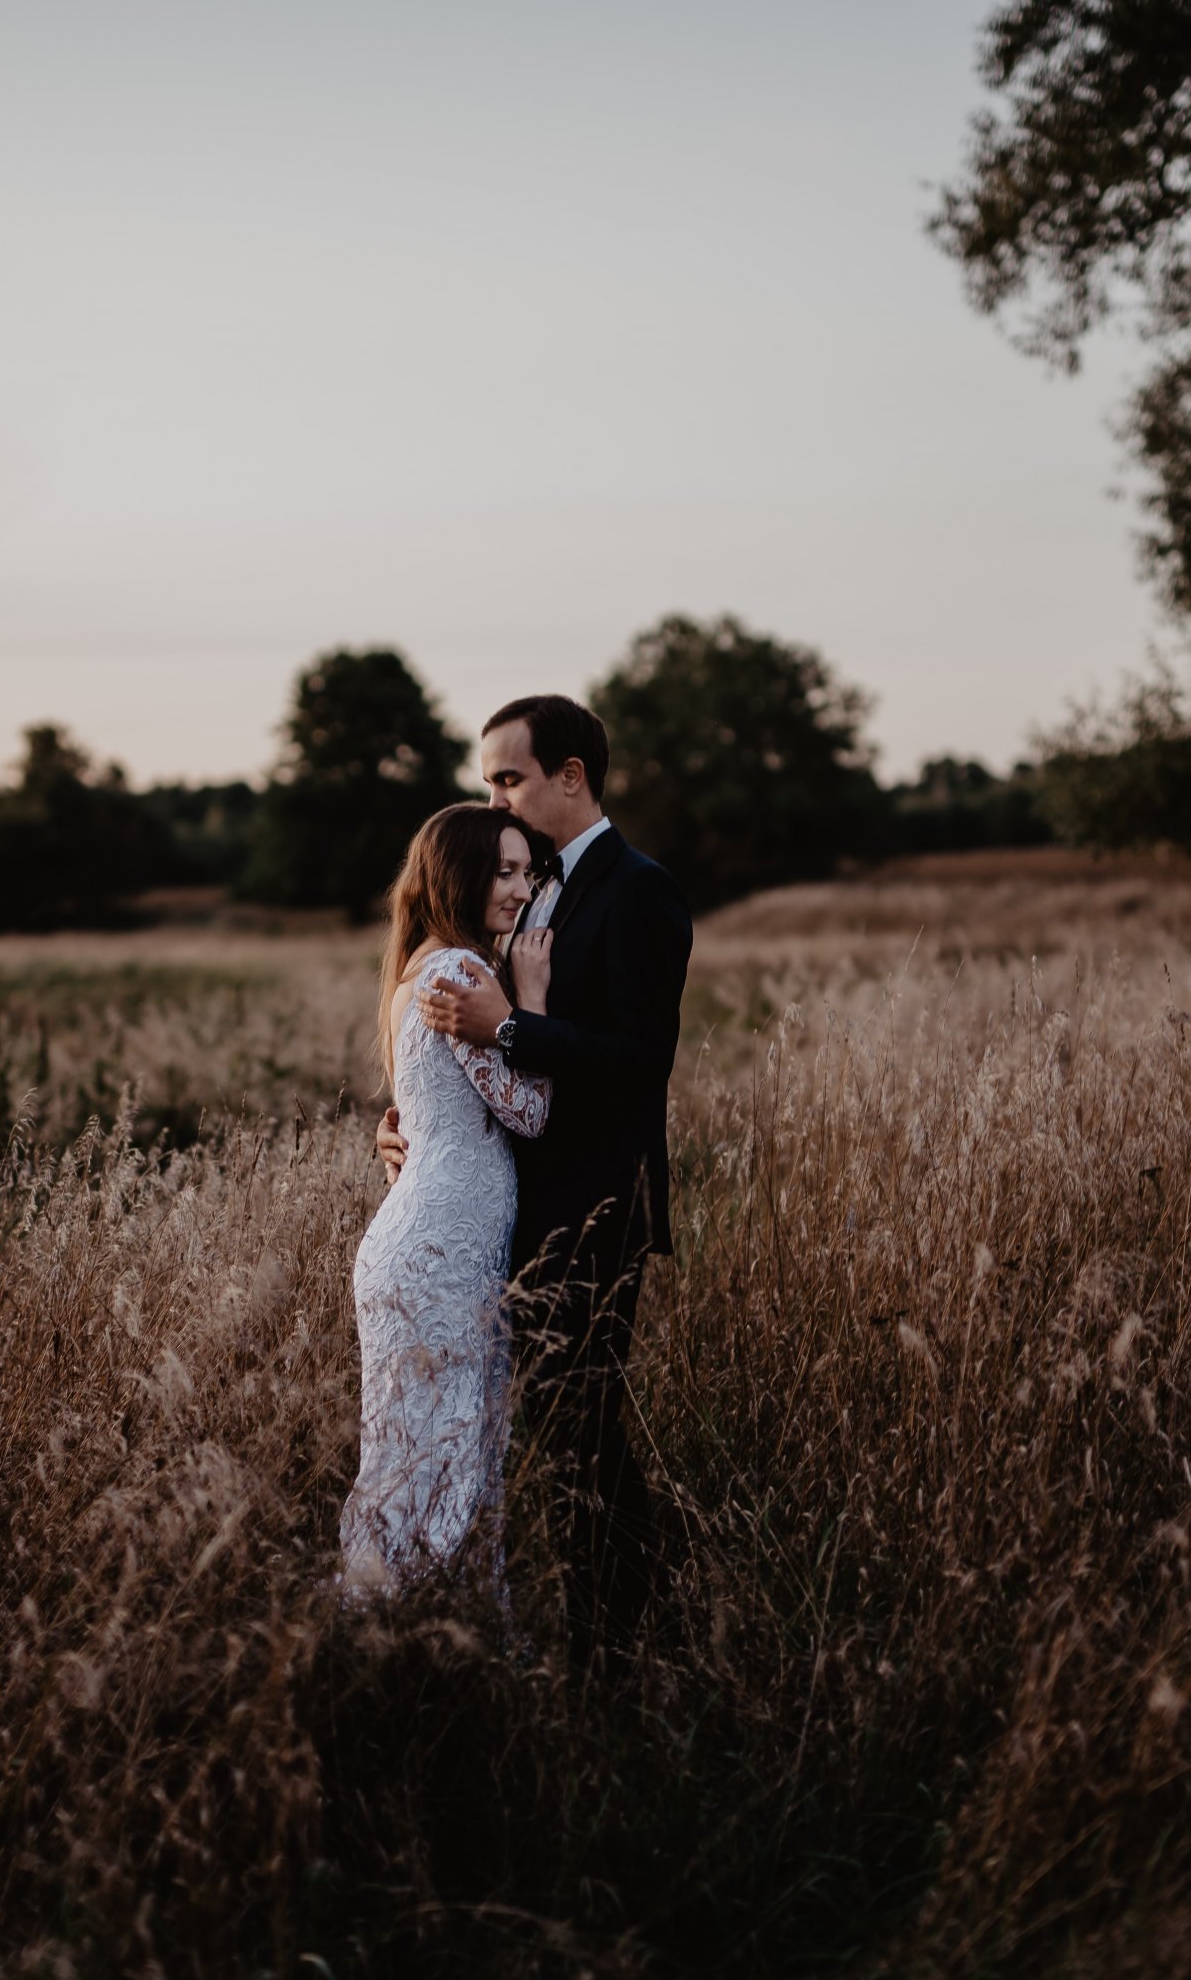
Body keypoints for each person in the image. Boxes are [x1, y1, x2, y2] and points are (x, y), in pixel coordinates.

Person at [378, 694, 694, 1659]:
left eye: (510, 779)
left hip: (591, 1210)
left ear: (572, 776)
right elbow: (457, 1059)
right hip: (496, 1212)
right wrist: (409, 1129)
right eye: (488, 786)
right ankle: (586, 1626)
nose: (499, 801)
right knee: (542, 1441)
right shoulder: (522, 887)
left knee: (582, 1435)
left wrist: (511, 1026)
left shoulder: (640, 890)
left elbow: (643, 1057)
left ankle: (625, 1646)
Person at [340, 803, 557, 1600]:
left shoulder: (421, 968)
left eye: (525, 870)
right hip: (437, 1254)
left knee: (414, 1455)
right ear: (457, 875)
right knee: (440, 1457)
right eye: (502, 871)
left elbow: (430, 1123)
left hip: (425, 1242)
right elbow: (529, 1114)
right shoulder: (462, 975)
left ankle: (405, 1632)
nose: (519, 888)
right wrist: (528, 999)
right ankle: (396, 1634)